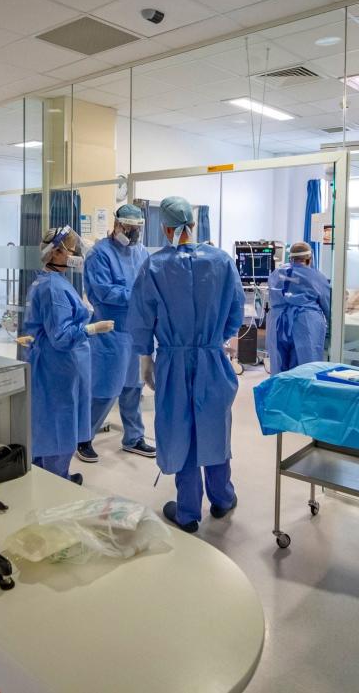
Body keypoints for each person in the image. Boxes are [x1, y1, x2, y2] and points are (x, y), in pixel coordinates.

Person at [128, 196, 244, 533]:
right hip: (211, 360)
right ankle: (222, 499)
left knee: (182, 431)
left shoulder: (154, 265)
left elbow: (142, 318)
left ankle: (188, 511)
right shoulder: (221, 261)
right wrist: (210, 341)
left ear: (163, 228)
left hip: (174, 361)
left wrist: (145, 359)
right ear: (193, 224)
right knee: (214, 427)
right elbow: (235, 314)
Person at [18, 227, 113, 482]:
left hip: (54, 364)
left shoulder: (50, 280)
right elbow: (61, 336)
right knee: (60, 426)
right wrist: (92, 327)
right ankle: (56, 482)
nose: (76, 255)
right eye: (72, 250)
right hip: (59, 366)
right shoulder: (53, 288)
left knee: (49, 424)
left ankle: (47, 475)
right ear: (57, 252)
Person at [78, 204, 156, 462]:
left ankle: (134, 438)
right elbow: (102, 292)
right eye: (130, 228)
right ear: (118, 224)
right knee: (105, 390)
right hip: (109, 331)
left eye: (137, 229)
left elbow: (148, 284)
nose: (133, 233)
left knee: (133, 388)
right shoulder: (99, 254)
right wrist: (137, 296)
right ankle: (83, 437)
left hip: (135, 332)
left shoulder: (140, 252)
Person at [266, 241, 332, 373]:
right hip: (305, 323)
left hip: (277, 322)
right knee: (305, 368)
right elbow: (328, 304)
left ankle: (279, 393)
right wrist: (333, 327)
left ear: (290, 258)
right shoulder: (316, 277)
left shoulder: (276, 273)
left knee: (279, 367)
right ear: (309, 259)